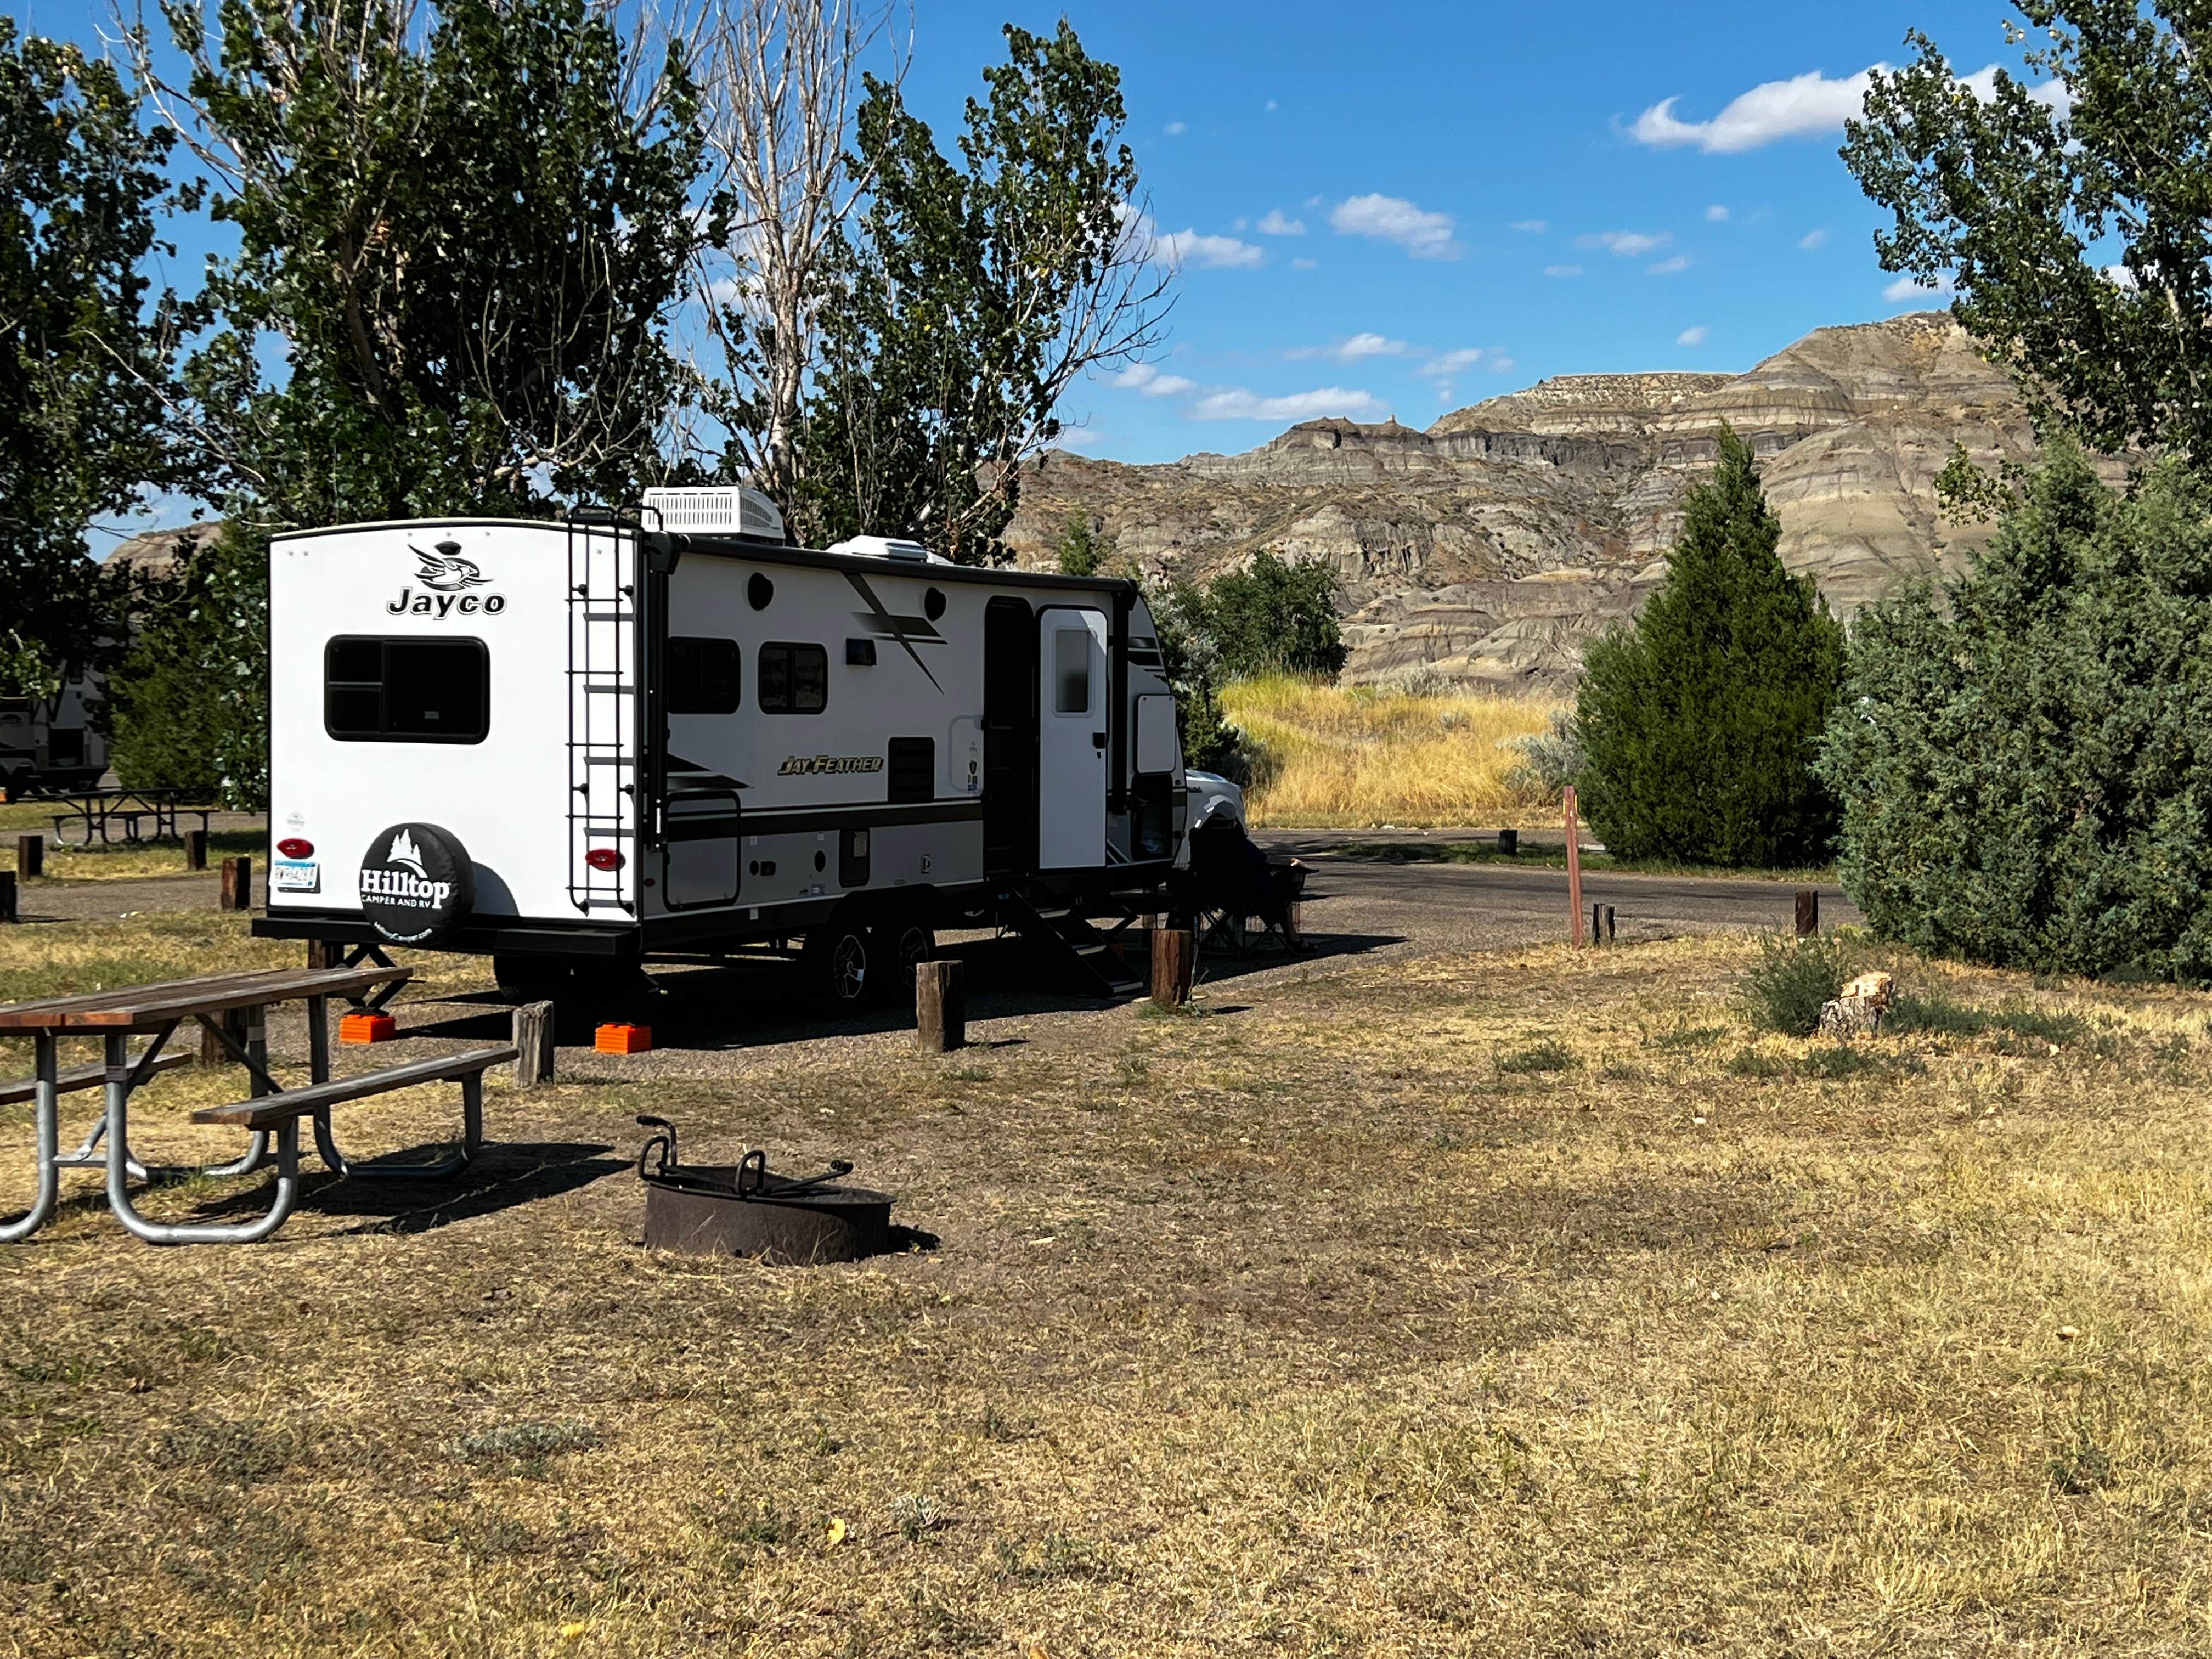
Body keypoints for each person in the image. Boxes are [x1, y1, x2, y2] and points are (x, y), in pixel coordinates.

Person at [1185, 805, 1308, 949]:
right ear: (1234, 822)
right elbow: (1263, 861)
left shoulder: (1200, 841)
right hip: (1245, 900)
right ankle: (1293, 938)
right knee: (1288, 882)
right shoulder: (1238, 843)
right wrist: (1290, 864)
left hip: (1210, 896)